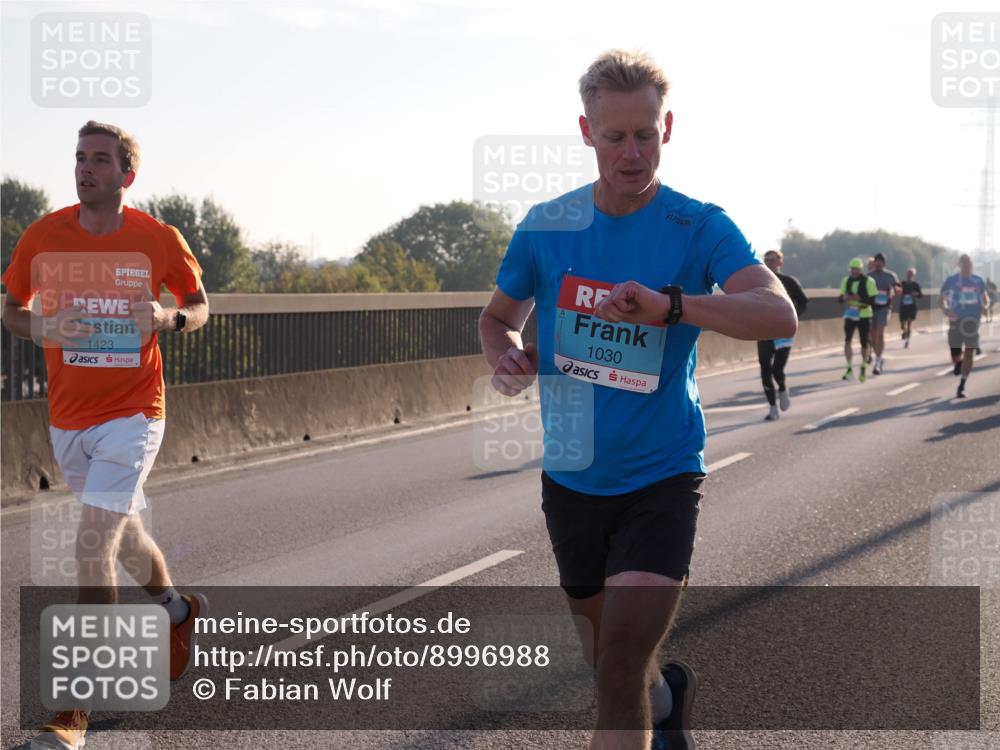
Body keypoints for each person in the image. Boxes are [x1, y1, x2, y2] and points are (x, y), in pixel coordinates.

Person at [479, 49, 797, 750]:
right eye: (615, 135)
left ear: (668, 127)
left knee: (617, 665)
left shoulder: (697, 225)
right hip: (572, 478)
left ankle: (647, 693)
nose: (631, 152)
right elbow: (498, 315)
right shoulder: (548, 223)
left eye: (645, 134)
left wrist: (673, 305)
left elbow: (778, 316)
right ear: (587, 132)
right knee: (611, 668)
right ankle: (666, 697)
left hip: (663, 473)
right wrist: (506, 352)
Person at [1, 121, 210, 749]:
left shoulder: (157, 239)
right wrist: (36, 327)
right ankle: (179, 610)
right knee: (123, 539)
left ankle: (74, 709)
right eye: (79, 158)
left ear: (126, 175)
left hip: (134, 411)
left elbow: (200, 305)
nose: (84, 168)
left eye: (99, 160)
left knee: (90, 546)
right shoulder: (44, 235)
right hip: (69, 418)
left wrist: (168, 317)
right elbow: (9, 306)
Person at [758, 249, 808, 420]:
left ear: (781, 262)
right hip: (763, 329)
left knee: (777, 369)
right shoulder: (758, 281)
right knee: (765, 368)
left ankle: (782, 387)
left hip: (783, 332)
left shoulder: (789, 281)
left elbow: (803, 302)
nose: (770, 262)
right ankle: (772, 408)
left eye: (773, 260)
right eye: (767, 260)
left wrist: (792, 318)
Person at [940, 254, 990, 398]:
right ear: (959, 265)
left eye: (969, 264)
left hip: (972, 321)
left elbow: (985, 297)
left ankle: (962, 385)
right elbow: (940, 299)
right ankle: (958, 362)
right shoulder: (951, 281)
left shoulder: (978, 281)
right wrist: (946, 310)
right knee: (955, 351)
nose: (967, 267)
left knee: (970, 350)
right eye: (964, 264)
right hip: (956, 319)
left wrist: (985, 306)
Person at [838, 257, 877, 382]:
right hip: (850, 313)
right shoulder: (846, 280)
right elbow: (840, 298)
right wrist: (845, 298)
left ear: (860, 269)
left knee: (863, 342)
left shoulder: (869, 281)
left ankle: (863, 366)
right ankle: (849, 367)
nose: (854, 271)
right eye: (852, 269)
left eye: (856, 269)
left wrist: (859, 298)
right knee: (847, 340)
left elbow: (872, 300)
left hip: (864, 314)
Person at [867, 252, 901, 374]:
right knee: (873, 337)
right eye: (876, 262)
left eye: (880, 262)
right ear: (874, 263)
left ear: (884, 264)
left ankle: (877, 362)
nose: (878, 264)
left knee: (880, 334)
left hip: (885, 308)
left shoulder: (890, 275)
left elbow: (898, 287)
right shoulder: (868, 276)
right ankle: (880, 359)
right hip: (872, 309)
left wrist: (897, 290)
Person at [898, 268, 922, 348]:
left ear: (914, 275)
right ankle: (904, 331)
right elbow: (897, 290)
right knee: (902, 324)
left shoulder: (916, 285)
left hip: (912, 306)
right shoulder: (902, 283)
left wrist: (915, 294)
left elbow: (920, 295)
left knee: (909, 324)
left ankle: (907, 341)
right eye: (908, 273)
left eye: (911, 274)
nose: (909, 275)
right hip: (903, 305)